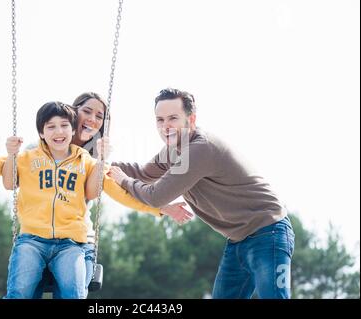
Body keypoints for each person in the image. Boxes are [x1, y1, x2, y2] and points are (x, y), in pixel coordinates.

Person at [0, 101, 191, 299]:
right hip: (32, 239)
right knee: (19, 291)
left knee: (73, 292)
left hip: (72, 243)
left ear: (72, 129)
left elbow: (122, 191)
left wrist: (161, 209)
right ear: (42, 132)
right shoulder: (25, 159)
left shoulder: (88, 162)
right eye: (51, 127)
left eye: (64, 126)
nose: (58, 132)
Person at [108, 88, 295, 299]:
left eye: (173, 118)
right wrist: (99, 165)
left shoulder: (199, 149)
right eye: (160, 120)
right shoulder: (173, 151)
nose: (165, 126)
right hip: (237, 240)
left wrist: (123, 180)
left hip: (269, 231)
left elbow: (156, 196)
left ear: (191, 119)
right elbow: (143, 173)